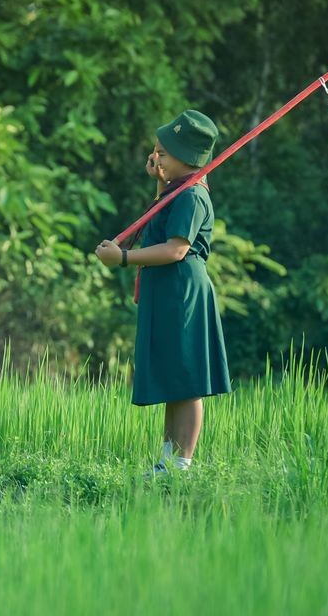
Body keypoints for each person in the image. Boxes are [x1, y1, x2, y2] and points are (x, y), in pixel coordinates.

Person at [95, 110, 231, 475]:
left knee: (187, 379)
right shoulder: (176, 192)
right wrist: (160, 179)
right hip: (167, 291)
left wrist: (123, 257)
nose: (155, 159)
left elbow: (175, 249)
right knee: (174, 376)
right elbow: (158, 215)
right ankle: (167, 461)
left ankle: (181, 463)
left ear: (188, 159)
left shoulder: (192, 197)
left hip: (183, 292)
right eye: (155, 153)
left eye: (163, 154)